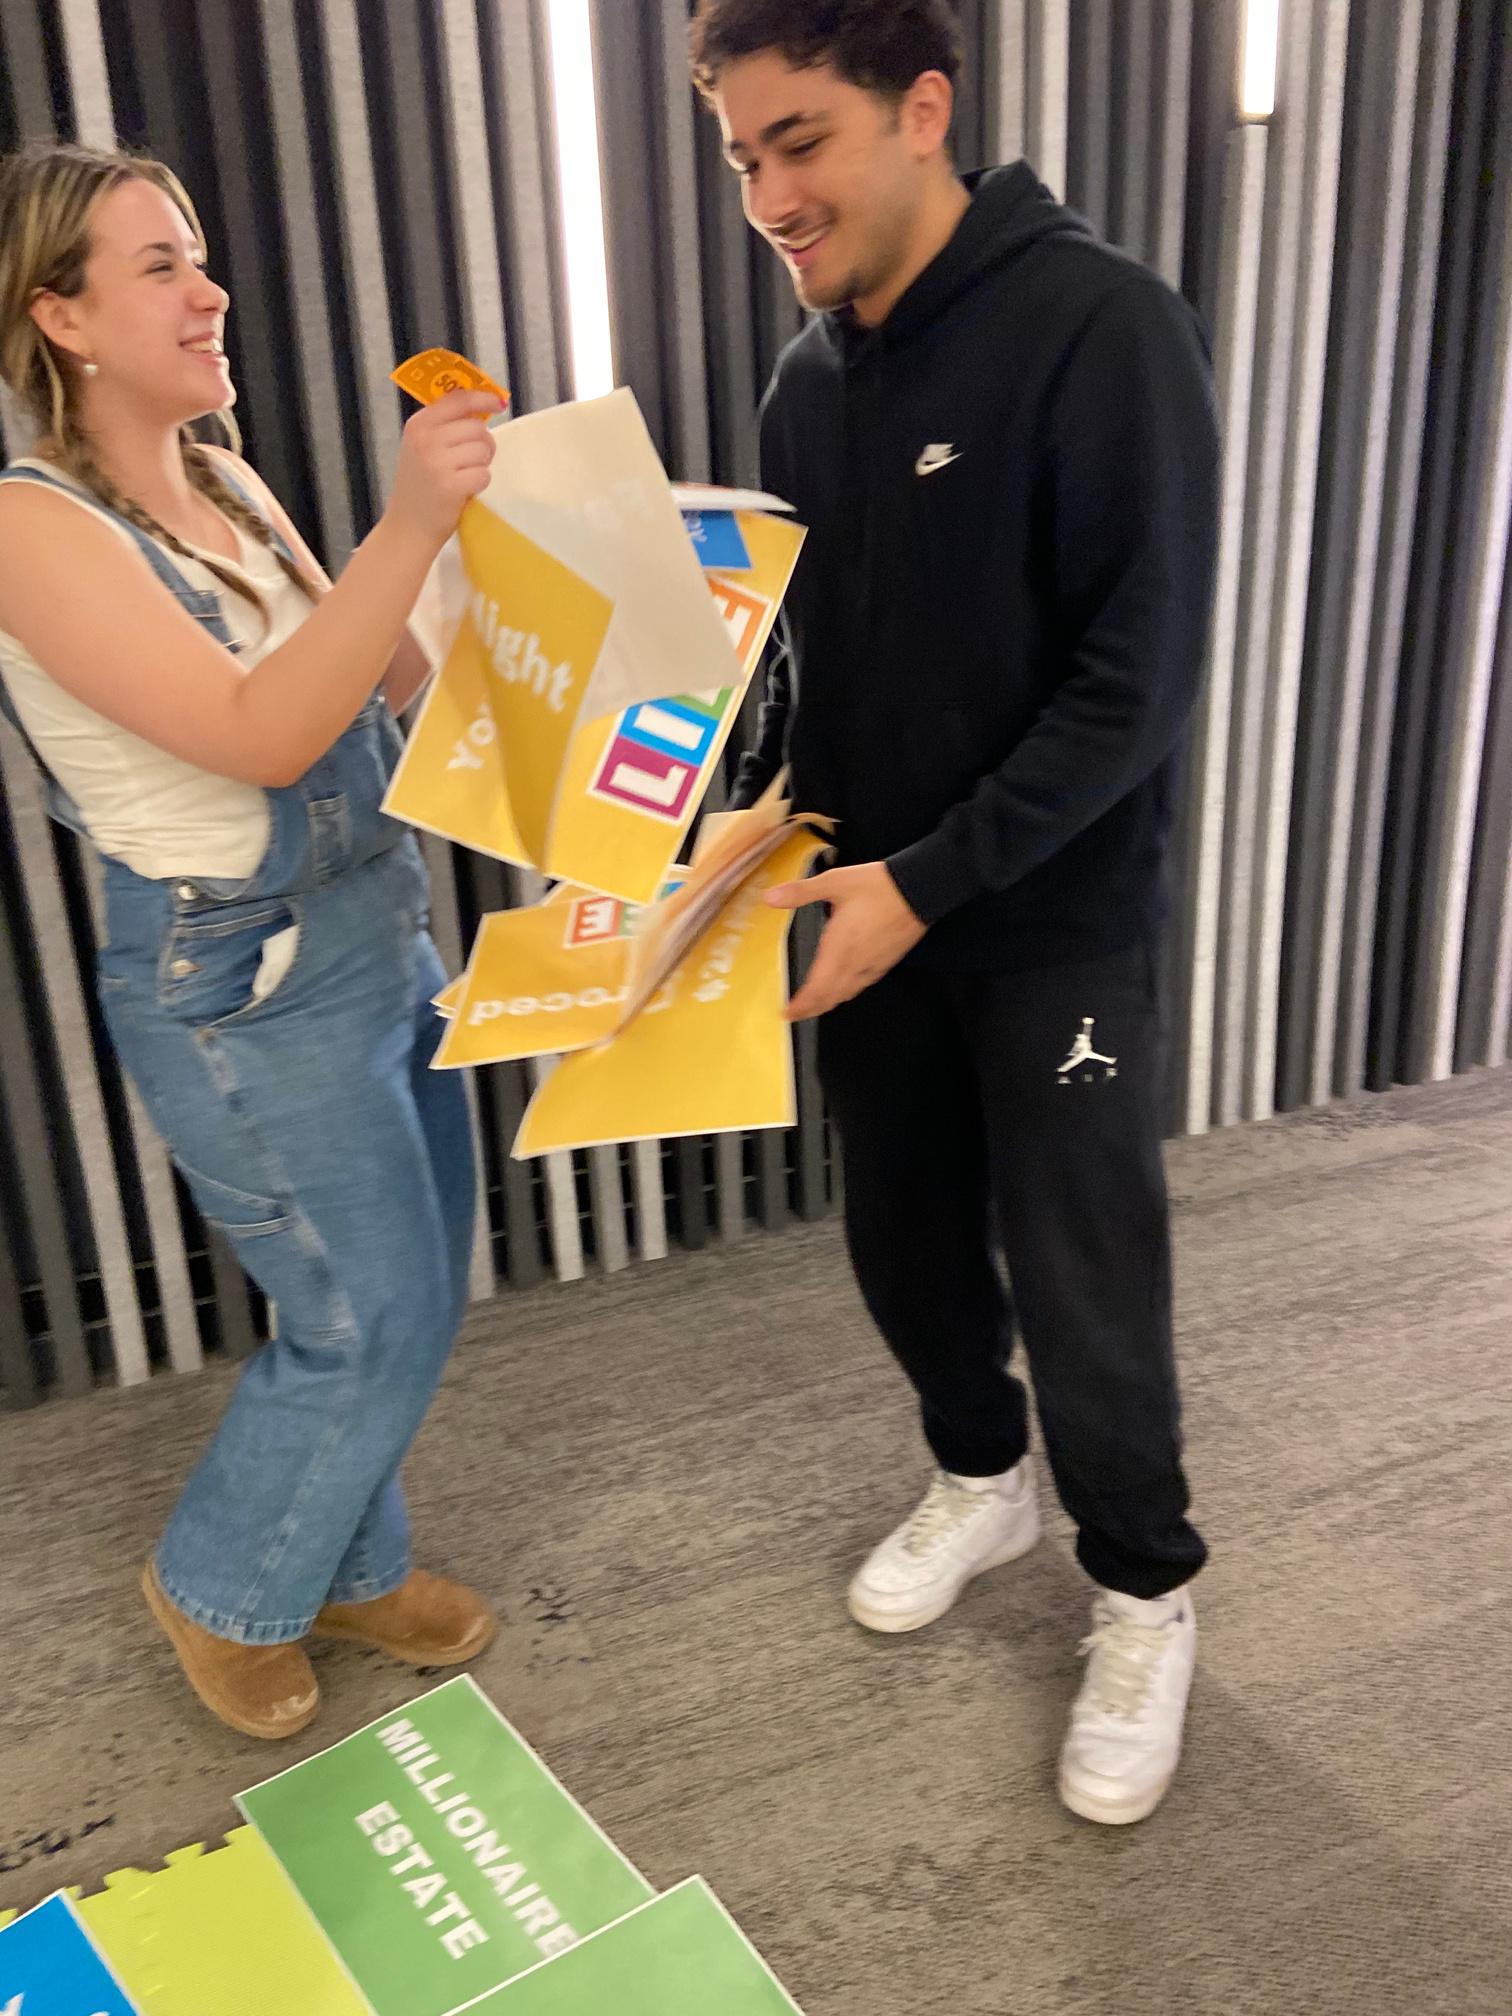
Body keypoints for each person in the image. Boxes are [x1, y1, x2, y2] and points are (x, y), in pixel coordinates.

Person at [690, 0, 1220, 1824]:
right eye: (742, 155)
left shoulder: (1104, 327)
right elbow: (817, 681)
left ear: (923, 109)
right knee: (905, 1242)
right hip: (866, 911)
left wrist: (930, 879)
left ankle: (1143, 1589)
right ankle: (982, 1481)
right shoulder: (806, 382)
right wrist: (748, 826)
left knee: (1086, 1273)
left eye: (801, 142)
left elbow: (1136, 686)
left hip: (1052, 922)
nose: (768, 193)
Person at [0, 140, 502, 1740]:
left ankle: (346, 1565)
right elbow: (261, 734)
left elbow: (389, 680)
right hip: (240, 980)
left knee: (415, 1285)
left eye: (200, 256)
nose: (209, 291)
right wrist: (409, 525)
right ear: (61, 316)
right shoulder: (30, 528)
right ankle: (220, 1584)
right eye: (160, 266)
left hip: (375, 926)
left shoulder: (225, 479)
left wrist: (521, 553)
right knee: (367, 1311)